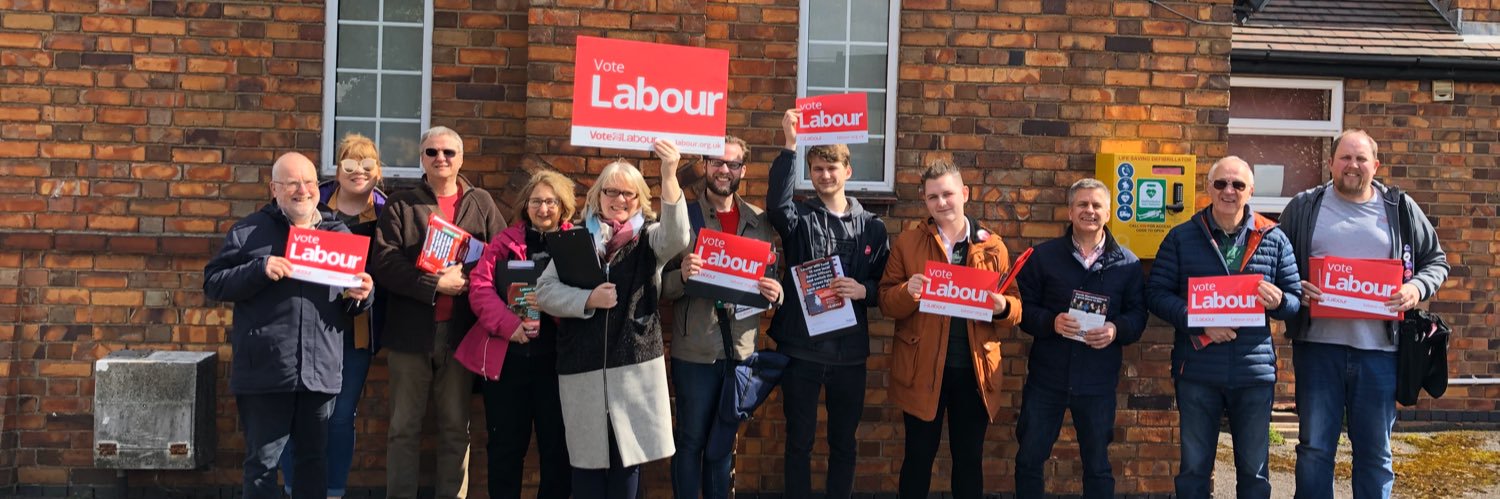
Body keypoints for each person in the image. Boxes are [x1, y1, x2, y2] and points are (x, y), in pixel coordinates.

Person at [1281, 130, 1448, 499]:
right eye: (1344, 158)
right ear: (1330, 163)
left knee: (1374, 454)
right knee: (1314, 451)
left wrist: (1415, 289)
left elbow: (1436, 261)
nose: (1352, 166)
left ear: (1376, 165)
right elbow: (1277, 263)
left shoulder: (1399, 208)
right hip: (1317, 350)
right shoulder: (1305, 206)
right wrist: (1296, 288)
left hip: (1380, 354)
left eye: (1360, 159)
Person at [203, 152, 373, 499]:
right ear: (274, 189)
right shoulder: (249, 231)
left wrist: (363, 294)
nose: (303, 190)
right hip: (266, 370)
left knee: (313, 461)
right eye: (292, 183)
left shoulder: (337, 232)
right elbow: (214, 283)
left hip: (319, 370)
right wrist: (258, 269)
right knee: (263, 464)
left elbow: (353, 301)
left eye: (309, 182)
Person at [535, 139, 690, 499]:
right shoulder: (576, 240)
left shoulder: (649, 239)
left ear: (640, 200)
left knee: (626, 468)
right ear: (597, 196)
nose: (620, 200)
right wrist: (587, 298)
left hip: (633, 371)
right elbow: (544, 293)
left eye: (629, 194)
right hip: (581, 371)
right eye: (611, 191)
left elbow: (677, 236)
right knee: (586, 471)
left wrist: (669, 173)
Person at [1145, 157, 1302, 499]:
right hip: (1198, 370)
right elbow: (1156, 294)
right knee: (1194, 469)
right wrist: (1199, 321)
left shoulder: (1273, 238)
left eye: (1238, 185)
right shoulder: (1181, 237)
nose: (1229, 191)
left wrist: (1278, 302)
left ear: (1250, 191)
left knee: (1255, 472)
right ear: (1208, 188)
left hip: (1253, 373)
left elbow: (1295, 301)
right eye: (1221, 184)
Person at [371, 126, 506, 499]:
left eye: (448, 152)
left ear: (461, 158)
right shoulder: (401, 203)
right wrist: (434, 284)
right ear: (422, 158)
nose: (440, 159)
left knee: (455, 428)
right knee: (403, 429)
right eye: (432, 152)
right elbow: (384, 264)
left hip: (462, 334)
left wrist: (473, 279)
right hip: (410, 334)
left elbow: (501, 257)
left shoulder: (481, 203)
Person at [877, 160, 1022, 499]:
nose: (941, 203)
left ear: (965, 194)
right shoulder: (908, 243)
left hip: (974, 372)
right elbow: (885, 301)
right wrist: (906, 292)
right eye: (933, 197)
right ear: (924, 200)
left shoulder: (992, 246)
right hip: (922, 369)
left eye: (948, 194)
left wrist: (1002, 307)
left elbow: (1016, 307)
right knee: (917, 458)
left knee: (969, 461)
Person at [768, 109, 890, 499]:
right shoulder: (799, 218)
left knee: (844, 443)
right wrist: (790, 146)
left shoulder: (872, 226)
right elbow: (775, 207)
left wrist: (864, 292)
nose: (824, 175)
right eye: (817, 168)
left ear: (847, 171)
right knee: (798, 442)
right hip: (802, 350)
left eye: (831, 167)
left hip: (850, 354)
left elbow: (883, 284)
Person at [661, 135, 783, 499]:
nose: (724, 170)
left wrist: (776, 294)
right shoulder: (686, 216)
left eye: (732, 164)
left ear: (743, 170)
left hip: (741, 353)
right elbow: (659, 288)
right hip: (695, 352)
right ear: (706, 166)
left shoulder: (760, 221)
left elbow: (770, 280)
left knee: (722, 443)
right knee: (691, 440)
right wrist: (681, 275)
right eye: (717, 162)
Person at [1014, 178, 1148, 499]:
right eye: (1083, 205)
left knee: (1098, 466)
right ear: (1070, 211)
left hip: (1097, 381)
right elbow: (1023, 310)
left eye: (1097, 205)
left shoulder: (1127, 264)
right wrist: (1051, 322)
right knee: (1030, 459)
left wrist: (1116, 329)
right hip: (1047, 378)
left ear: (1109, 212)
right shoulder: (1043, 257)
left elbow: (1138, 315)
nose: (1090, 210)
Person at [275, 133, 388, 498]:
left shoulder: (389, 212)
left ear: (378, 172)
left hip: (354, 328)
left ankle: (334, 491)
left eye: (367, 165)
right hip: (305, 324)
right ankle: (295, 490)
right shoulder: (310, 201)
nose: (358, 172)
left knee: (340, 418)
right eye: (350, 164)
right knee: (296, 416)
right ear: (337, 169)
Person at [467, 170, 577, 499]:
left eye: (551, 202)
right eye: (536, 201)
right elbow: (480, 289)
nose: (543, 209)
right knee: (504, 450)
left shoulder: (576, 243)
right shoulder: (504, 243)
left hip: (558, 366)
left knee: (557, 452)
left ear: (564, 206)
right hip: (509, 363)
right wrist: (510, 326)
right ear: (525, 205)